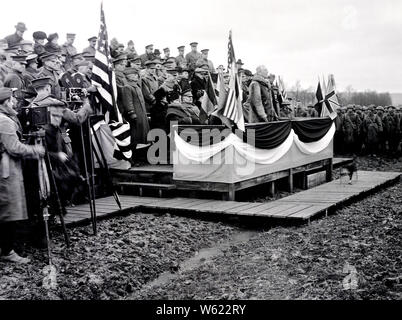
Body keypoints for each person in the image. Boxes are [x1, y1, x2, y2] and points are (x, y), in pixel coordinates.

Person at [0, 87, 45, 263]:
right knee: (9, 211)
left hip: (6, 167)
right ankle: (8, 251)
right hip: (7, 169)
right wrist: (35, 149)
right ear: (4, 103)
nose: (14, 103)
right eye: (11, 100)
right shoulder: (4, 121)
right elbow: (14, 147)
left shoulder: (6, 119)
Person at [123, 66, 151, 163]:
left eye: (136, 74)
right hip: (135, 116)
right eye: (133, 75)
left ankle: (140, 157)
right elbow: (128, 102)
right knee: (135, 137)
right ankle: (133, 158)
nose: (136, 76)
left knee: (142, 137)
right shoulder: (127, 87)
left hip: (141, 115)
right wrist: (132, 113)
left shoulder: (137, 86)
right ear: (128, 76)